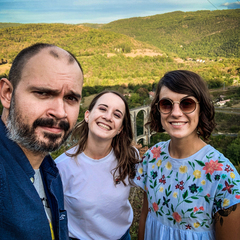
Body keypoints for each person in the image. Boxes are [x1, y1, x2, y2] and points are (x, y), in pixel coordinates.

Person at [134, 70, 240, 240]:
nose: (176, 113)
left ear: (201, 109)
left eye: (187, 104)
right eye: (166, 104)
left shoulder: (224, 177)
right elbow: (146, 217)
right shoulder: (152, 157)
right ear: (158, 110)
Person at [0, 43, 84, 239]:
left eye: (71, 98)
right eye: (43, 93)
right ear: (7, 94)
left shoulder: (48, 168)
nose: (60, 112)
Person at [55, 90, 140, 240]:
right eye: (102, 109)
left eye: (117, 114)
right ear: (87, 115)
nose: (108, 117)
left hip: (122, 237)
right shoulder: (61, 167)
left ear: (120, 128)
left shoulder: (130, 157)